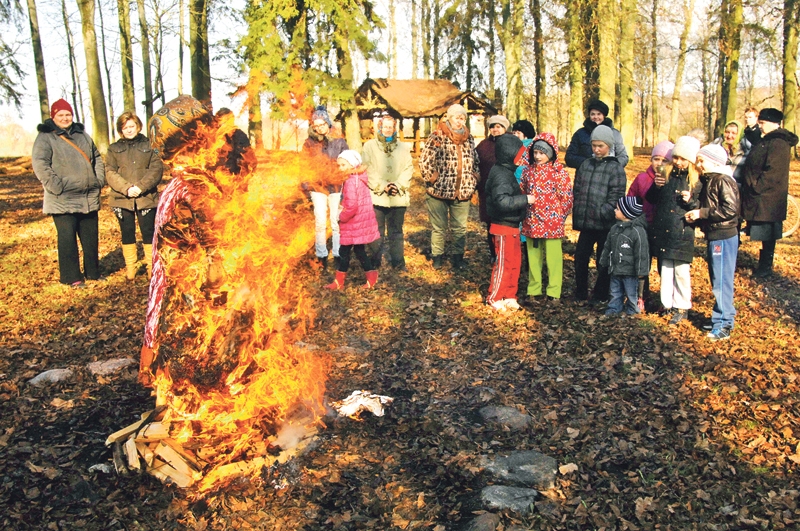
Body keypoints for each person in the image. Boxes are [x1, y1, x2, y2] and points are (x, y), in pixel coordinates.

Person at [140, 95, 255, 386]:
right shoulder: (184, 188)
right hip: (190, 289)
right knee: (192, 352)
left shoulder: (205, 180)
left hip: (211, 285)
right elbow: (169, 259)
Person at [31, 98, 106, 288]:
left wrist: (98, 180)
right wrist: (57, 186)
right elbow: (40, 164)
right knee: (67, 239)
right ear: (53, 116)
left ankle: (93, 273)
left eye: (68, 114)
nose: (65, 118)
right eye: (61, 115)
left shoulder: (83, 135)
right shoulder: (45, 137)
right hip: (61, 198)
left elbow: (96, 157)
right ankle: (72, 277)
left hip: (88, 196)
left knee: (90, 238)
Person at [685, 143, 741, 341]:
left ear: (715, 162)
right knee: (716, 278)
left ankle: (724, 323)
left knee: (722, 280)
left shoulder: (723, 180)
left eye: (702, 161)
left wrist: (702, 213)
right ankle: (719, 317)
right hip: (715, 234)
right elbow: (705, 204)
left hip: (724, 236)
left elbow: (729, 210)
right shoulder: (709, 180)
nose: (698, 165)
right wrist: (693, 205)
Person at [645, 136, 701, 325]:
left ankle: (682, 306)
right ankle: (666, 303)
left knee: (681, 271)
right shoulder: (665, 175)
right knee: (666, 269)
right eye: (676, 157)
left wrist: (690, 201)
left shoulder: (695, 181)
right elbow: (651, 199)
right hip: (663, 229)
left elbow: (700, 207)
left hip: (682, 231)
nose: (678, 162)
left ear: (691, 161)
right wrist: (656, 187)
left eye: (683, 159)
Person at [419, 103, 480, 270]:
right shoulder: (437, 136)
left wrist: (474, 177)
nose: (459, 121)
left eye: (462, 118)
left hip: (463, 190)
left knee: (460, 227)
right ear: (449, 118)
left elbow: (475, 160)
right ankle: (437, 257)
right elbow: (424, 160)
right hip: (439, 191)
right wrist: (432, 178)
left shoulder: (469, 138)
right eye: (456, 117)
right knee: (439, 227)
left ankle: (458, 258)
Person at [740, 108, 799, 278]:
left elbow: (773, 172)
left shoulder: (779, 143)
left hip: (768, 197)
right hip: (763, 196)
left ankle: (765, 268)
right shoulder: (769, 139)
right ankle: (763, 266)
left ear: (774, 124)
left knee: (768, 235)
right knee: (765, 232)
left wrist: (757, 186)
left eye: (763, 123)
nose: (760, 126)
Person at [571, 125, 627, 303]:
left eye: (600, 146)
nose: (596, 149)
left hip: (604, 224)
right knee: (580, 258)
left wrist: (603, 212)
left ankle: (600, 294)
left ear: (609, 146)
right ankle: (580, 292)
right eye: (594, 145)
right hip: (586, 223)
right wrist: (580, 210)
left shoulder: (616, 168)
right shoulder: (585, 164)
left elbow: (616, 196)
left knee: (603, 262)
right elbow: (577, 189)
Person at [105, 111, 164, 280]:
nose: (129, 130)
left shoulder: (151, 146)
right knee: (127, 232)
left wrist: (140, 187)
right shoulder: (114, 149)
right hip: (122, 199)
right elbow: (109, 171)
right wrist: (126, 188)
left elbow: (156, 169)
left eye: (132, 126)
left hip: (146, 198)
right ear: (120, 130)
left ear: (138, 126)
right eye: (125, 127)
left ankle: (151, 267)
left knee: (148, 232)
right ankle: (130, 268)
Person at [484, 134, 535, 311]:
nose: (521, 159)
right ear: (509, 154)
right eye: (519, 155)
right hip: (502, 226)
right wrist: (525, 199)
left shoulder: (507, 172)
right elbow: (502, 201)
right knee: (504, 263)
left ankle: (509, 295)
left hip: (512, 225)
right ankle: (495, 296)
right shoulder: (500, 175)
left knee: (514, 263)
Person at [520, 132, 572, 302]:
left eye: (542, 153)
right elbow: (522, 192)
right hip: (532, 222)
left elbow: (566, 198)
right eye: (535, 152)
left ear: (550, 154)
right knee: (533, 259)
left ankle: (554, 292)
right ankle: (534, 290)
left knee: (554, 259)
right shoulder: (527, 172)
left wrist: (559, 216)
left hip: (552, 223)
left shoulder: (559, 173)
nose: (538, 156)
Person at [362, 114, 413, 271]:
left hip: (398, 196)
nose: (388, 130)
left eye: (391, 127)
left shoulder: (404, 148)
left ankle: (398, 263)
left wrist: (397, 185)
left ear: (394, 128)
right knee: (377, 231)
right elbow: (367, 168)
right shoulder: (369, 146)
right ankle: (374, 262)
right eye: (385, 127)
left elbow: (408, 168)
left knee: (396, 231)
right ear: (380, 127)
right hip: (377, 196)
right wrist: (382, 185)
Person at [325, 150, 380, 290]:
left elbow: (352, 206)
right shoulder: (359, 177)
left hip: (354, 223)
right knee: (359, 250)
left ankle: (339, 282)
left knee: (344, 252)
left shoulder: (350, 181)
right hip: (359, 222)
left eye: (343, 165)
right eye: (339, 165)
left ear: (352, 164)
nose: (340, 168)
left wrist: (340, 217)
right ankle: (371, 276)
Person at [301, 106, 349, 269]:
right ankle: (321, 254)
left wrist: (344, 180)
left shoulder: (339, 141)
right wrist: (307, 185)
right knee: (320, 221)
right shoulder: (309, 143)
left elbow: (347, 162)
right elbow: (304, 165)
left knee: (336, 221)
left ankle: (337, 253)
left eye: (322, 124)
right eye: (316, 126)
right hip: (317, 187)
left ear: (328, 123)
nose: (320, 128)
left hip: (336, 186)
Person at [627, 140, 673, 304]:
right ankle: (641, 296)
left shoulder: (672, 180)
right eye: (656, 159)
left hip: (663, 228)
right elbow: (631, 199)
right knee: (642, 263)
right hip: (643, 226)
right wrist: (634, 219)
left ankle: (665, 299)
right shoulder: (641, 179)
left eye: (664, 160)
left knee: (665, 266)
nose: (659, 163)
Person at [600, 197, 649, 316]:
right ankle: (613, 309)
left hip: (630, 271)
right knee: (615, 291)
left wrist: (641, 271)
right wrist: (604, 260)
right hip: (616, 268)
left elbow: (642, 253)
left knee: (631, 292)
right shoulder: (614, 229)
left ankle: (632, 311)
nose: (614, 211)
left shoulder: (638, 232)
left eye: (617, 209)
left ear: (626, 214)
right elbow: (607, 246)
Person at [476, 114, 511, 263]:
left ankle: (507, 253)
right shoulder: (483, 146)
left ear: (504, 128)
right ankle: (493, 253)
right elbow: (475, 164)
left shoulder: (512, 143)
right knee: (491, 223)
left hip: (507, 189)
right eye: (493, 127)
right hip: (487, 190)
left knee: (506, 222)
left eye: (499, 126)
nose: (495, 129)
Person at [565, 100, 628, 169]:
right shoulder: (580, 134)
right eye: (593, 114)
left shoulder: (615, 134)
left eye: (599, 114)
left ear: (604, 116)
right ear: (589, 115)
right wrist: (589, 163)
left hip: (609, 175)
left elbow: (623, 156)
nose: (596, 117)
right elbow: (569, 157)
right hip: (585, 175)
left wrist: (612, 165)